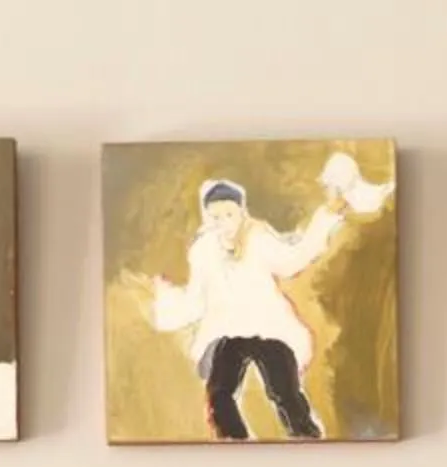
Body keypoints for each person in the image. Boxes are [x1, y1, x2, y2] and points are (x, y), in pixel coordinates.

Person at [143, 160, 387, 441]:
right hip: (228, 333)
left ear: (240, 212)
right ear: (208, 218)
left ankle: (306, 438)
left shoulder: (258, 238)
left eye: (228, 214)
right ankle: (236, 442)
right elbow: (196, 300)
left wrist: (326, 219)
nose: (223, 223)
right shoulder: (205, 251)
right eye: (216, 217)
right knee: (220, 394)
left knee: (285, 392)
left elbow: (293, 259)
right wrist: (165, 300)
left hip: (269, 328)